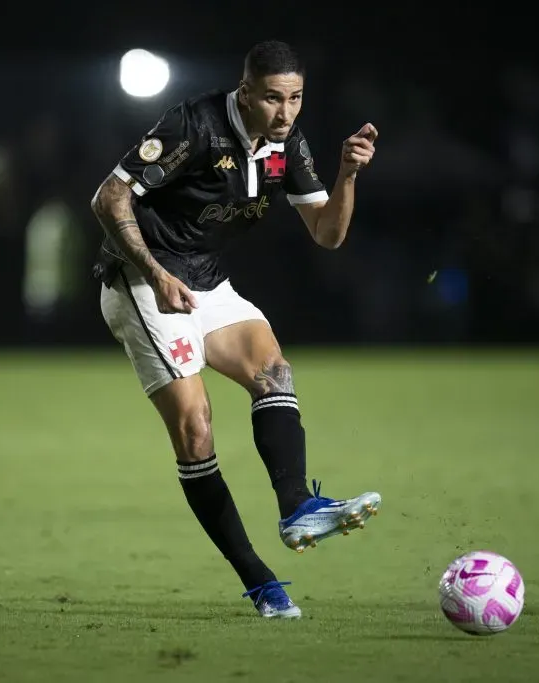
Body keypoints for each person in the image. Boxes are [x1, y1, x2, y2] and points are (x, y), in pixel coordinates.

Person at [90, 40, 381, 618]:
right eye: (274, 99)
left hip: (208, 282)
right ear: (246, 92)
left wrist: (347, 174)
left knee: (273, 371)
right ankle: (259, 580)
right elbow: (109, 195)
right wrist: (154, 271)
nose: (286, 113)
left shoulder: (285, 145)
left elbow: (326, 233)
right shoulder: (193, 126)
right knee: (197, 429)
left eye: (296, 99)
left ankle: (298, 507)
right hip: (143, 283)